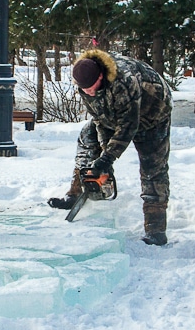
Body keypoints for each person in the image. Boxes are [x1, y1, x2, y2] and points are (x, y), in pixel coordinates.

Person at [48, 49, 173, 245]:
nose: (88, 92)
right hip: (115, 113)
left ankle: (156, 229)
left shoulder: (124, 81)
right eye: (84, 89)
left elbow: (128, 125)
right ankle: (77, 192)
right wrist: (103, 159)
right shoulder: (84, 82)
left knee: (153, 167)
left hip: (153, 113)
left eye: (91, 88)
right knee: (87, 138)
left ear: (100, 76)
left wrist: (108, 157)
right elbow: (100, 119)